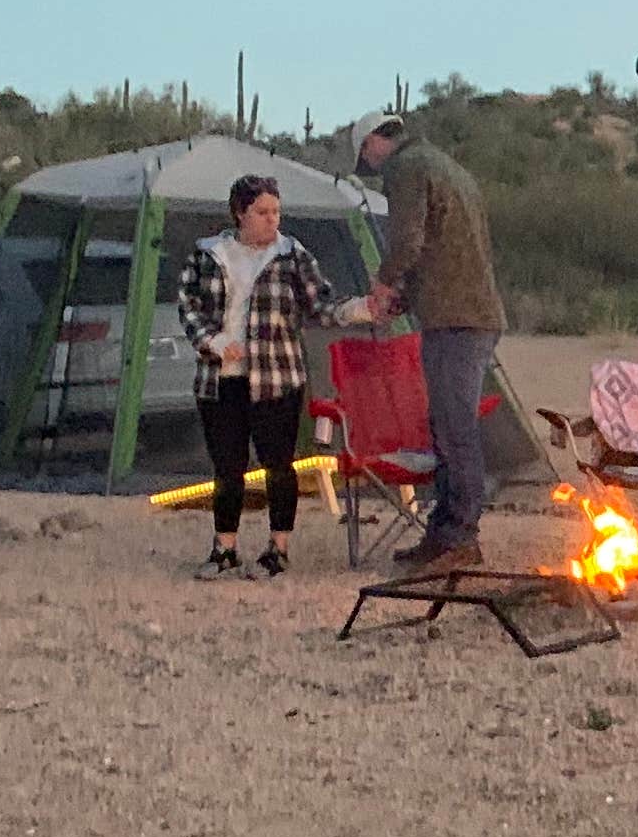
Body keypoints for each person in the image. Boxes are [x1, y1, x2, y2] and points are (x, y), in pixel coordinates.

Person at [344, 113, 504, 572]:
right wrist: (407, 297)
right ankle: (443, 532)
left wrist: (383, 283)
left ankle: (461, 535)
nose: (373, 169)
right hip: (467, 312)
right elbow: (444, 248)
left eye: (367, 160)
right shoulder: (446, 166)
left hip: (457, 319)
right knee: (447, 426)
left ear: (373, 143)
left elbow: (409, 239)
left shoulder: (407, 167)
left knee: (454, 429)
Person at [173, 173, 330, 577]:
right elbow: (188, 305)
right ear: (240, 213)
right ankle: (224, 547)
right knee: (228, 466)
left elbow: (320, 302)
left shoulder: (290, 254)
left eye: (276, 211)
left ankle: (278, 547)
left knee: (279, 463)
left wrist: (362, 309)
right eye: (262, 212)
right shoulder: (209, 253)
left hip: (277, 375)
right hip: (221, 377)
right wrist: (212, 341)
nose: (272, 219)